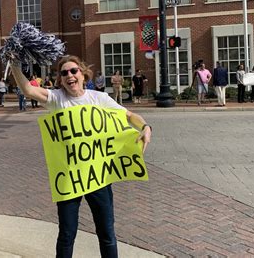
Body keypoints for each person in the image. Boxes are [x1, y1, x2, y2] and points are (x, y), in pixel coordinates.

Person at [11, 55, 151, 258]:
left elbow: (128, 116)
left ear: (83, 74)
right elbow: (28, 90)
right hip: (70, 180)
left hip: (98, 178)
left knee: (106, 233)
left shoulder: (99, 98)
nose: (70, 75)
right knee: (67, 234)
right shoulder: (57, 98)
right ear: (60, 79)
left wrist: (145, 127)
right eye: (64, 73)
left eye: (74, 71)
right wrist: (14, 62)